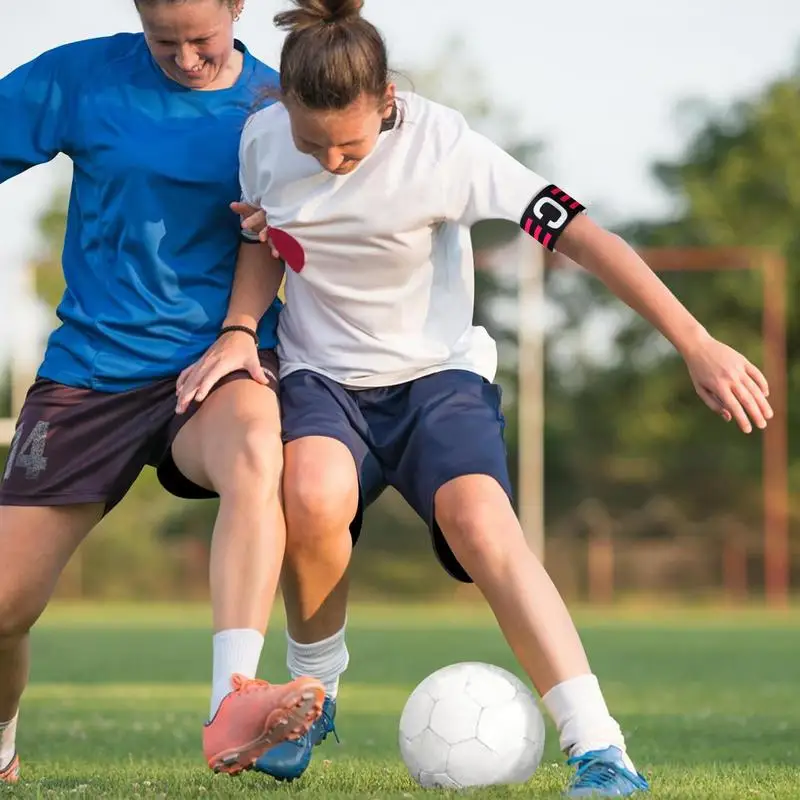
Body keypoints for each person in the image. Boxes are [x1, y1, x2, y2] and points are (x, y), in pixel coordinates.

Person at [176, 0, 774, 795]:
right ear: (283, 107)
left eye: (350, 144)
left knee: (482, 522)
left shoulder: (445, 145)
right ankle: (312, 697)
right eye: (311, 142)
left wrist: (696, 341)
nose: (330, 162)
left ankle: (601, 748)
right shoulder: (262, 141)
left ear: (387, 98)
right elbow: (265, 240)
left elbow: (585, 236)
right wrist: (241, 328)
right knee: (311, 493)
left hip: (437, 380)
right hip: (324, 379)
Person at [0, 0, 327, 785]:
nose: (185, 59)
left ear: (237, 8)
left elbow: (281, 236)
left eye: (202, 40)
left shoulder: (278, 108)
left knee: (257, 446)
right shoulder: (83, 77)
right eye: (164, 42)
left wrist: (240, 334)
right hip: (89, 374)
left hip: (212, 366)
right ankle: (2, 740)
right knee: (4, 612)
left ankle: (233, 705)